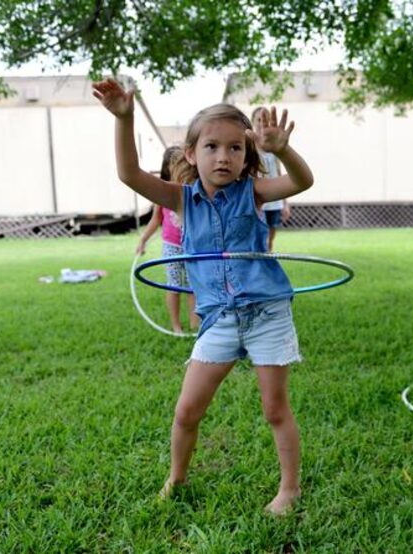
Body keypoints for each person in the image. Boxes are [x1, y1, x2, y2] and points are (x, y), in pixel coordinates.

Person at [93, 77, 313, 514]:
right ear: (191, 154)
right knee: (187, 410)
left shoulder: (253, 191)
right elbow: (129, 174)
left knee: (275, 408)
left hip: (265, 311)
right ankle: (176, 477)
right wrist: (125, 118)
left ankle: (290, 489)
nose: (224, 156)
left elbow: (302, 182)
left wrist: (282, 150)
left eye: (236, 148)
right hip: (219, 320)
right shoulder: (181, 199)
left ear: (248, 155)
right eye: (211, 146)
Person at [136, 146, 200, 333]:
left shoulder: (192, 188)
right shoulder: (161, 190)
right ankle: (176, 326)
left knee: (193, 285)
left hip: (192, 245)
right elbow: (156, 219)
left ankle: (194, 323)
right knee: (174, 285)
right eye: (174, 164)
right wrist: (143, 240)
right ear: (167, 167)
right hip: (171, 246)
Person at [251, 107, 291, 251]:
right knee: (259, 233)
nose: (262, 123)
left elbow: (279, 172)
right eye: (259, 119)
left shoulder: (274, 146)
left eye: (265, 119)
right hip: (259, 197)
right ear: (253, 122)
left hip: (275, 200)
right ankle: (261, 255)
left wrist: (285, 203)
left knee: (272, 233)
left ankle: (269, 254)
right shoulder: (250, 146)